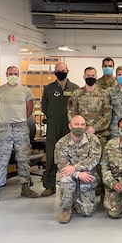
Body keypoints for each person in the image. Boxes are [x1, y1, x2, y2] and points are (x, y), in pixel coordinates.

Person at [0, 66, 38, 201]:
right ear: (6, 74)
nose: (13, 76)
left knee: (23, 158)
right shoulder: (0, 90)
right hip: (4, 128)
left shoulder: (25, 91)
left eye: (15, 74)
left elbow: (29, 109)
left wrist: (19, 120)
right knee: (1, 159)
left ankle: (25, 187)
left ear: (19, 75)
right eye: (10, 74)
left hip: (21, 127)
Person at [41, 62, 79, 197]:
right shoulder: (49, 89)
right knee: (51, 155)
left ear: (67, 71)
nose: (61, 72)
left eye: (63, 70)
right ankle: (49, 185)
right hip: (53, 126)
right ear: (55, 72)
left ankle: (74, 185)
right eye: (58, 70)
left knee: (72, 156)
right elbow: (44, 107)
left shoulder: (75, 89)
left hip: (70, 127)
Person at [55, 115, 101, 224]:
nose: (79, 127)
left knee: (87, 212)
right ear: (70, 126)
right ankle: (66, 209)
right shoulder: (61, 143)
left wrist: (75, 167)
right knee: (65, 181)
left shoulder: (93, 140)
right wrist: (77, 174)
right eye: (76, 124)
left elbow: (94, 159)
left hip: (87, 174)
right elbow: (62, 165)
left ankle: (76, 198)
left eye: (82, 124)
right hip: (69, 175)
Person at [67, 66, 112, 148]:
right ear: (84, 77)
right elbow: (71, 112)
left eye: (93, 76)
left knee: (100, 159)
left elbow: (107, 114)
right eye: (88, 76)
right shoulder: (76, 94)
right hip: (80, 134)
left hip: (100, 134)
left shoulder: (104, 94)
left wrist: (94, 128)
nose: (90, 78)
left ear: (96, 77)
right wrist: (81, 128)